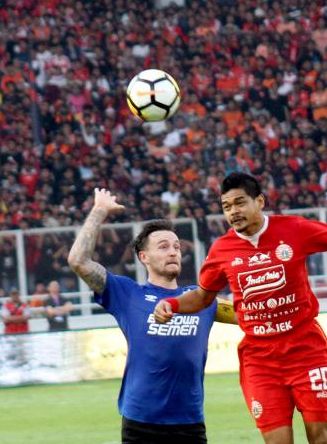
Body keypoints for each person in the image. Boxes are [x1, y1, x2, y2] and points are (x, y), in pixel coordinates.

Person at [154, 172, 327, 444]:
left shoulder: (294, 229)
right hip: (260, 358)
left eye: (240, 203)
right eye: (227, 207)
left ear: (260, 201)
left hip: (306, 349)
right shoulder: (221, 250)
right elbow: (203, 297)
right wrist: (171, 303)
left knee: (321, 437)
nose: (233, 212)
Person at [67, 188, 236, 444]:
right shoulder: (127, 294)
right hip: (141, 424)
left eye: (177, 247)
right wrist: (99, 210)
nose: (173, 252)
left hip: (189, 423)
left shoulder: (200, 297)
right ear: (143, 257)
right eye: (164, 246)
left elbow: (248, 315)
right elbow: (78, 261)